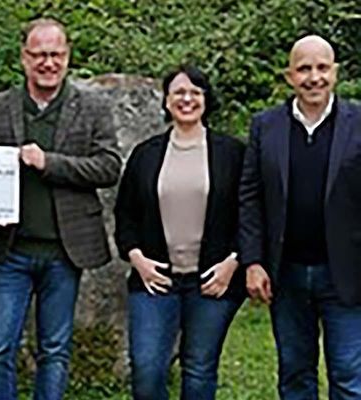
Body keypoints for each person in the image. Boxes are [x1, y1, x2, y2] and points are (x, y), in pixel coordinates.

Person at [0, 18, 121, 399]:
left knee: (55, 351)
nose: (48, 62)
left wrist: (49, 163)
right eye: (39, 54)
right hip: (11, 251)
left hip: (64, 252)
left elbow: (109, 167)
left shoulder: (92, 107)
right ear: (24, 58)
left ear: (67, 56)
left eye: (56, 54)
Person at [239, 35, 361, 398]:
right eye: (304, 69)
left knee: (349, 376)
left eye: (322, 68)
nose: (314, 77)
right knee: (294, 375)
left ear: (335, 72)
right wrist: (253, 261)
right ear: (289, 76)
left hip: (347, 273)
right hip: (286, 273)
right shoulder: (265, 125)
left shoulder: (359, 122)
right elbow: (250, 196)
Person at [114, 65, 246, 400]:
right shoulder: (145, 154)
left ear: (206, 99)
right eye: (178, 92)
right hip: (155, 280)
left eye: (195, 92)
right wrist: (137, 259)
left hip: (214, 281)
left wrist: (233, 262)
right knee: (147, 370)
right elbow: (125, 215)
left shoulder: (232, 153)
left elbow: (251, 215)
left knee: (199, 369)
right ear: (167, 101)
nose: (187, 99)